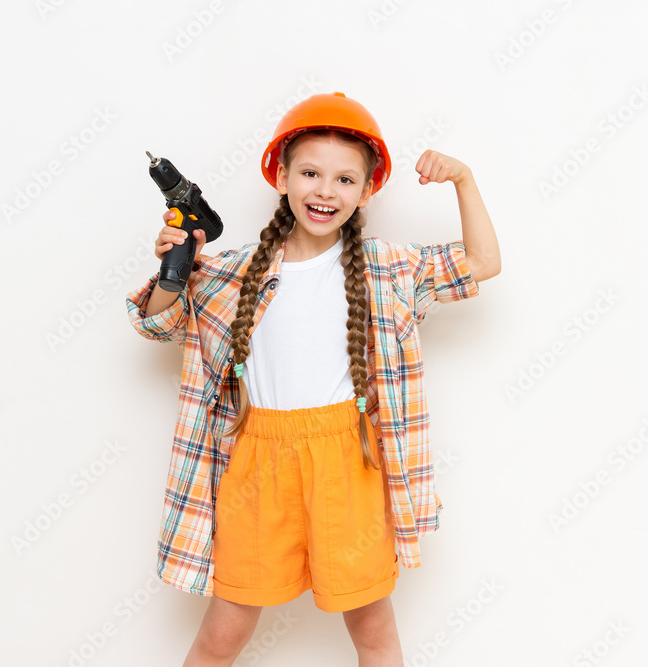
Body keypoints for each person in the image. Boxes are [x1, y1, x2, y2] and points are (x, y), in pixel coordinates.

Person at [126, 91, 501, 666]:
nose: (326, 190)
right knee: (222, 633)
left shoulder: (387, 269)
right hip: (256, 460)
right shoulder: (230, 272)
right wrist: (173, 268)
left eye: (345, 179)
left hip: (347, 460)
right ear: (281, 176)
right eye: (310, 172)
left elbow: (481, 262)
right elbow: (155, 324)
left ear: (367, 190)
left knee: (372, 628)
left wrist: (464, 181)